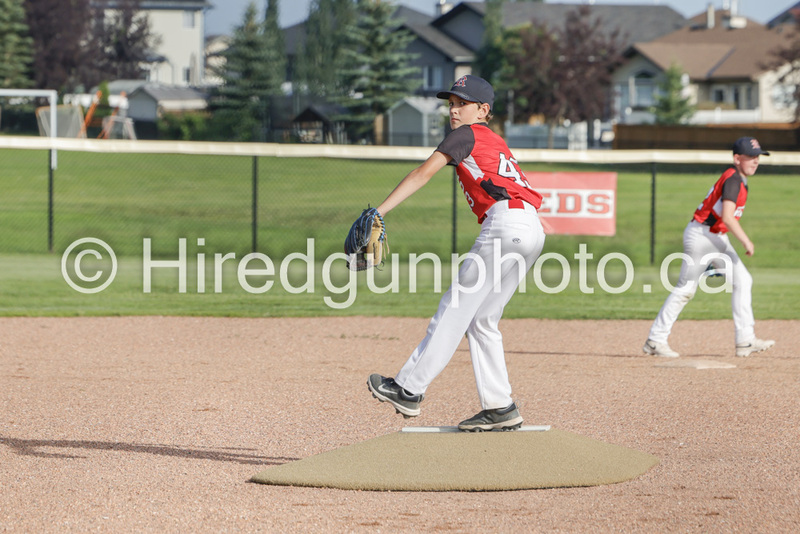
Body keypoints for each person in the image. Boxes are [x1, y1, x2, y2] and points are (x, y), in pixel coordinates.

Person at [366, 75, 546, 431]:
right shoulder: (495, 140)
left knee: (455, 307)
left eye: (462, 103)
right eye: (451, 103)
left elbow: (422, 173)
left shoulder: (467, 133)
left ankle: (407, 388)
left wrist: (379, 211)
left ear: (483, 110)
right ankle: (500, 407)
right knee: (482, 320)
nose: (453, 109)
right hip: (531, 229)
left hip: (505, 225)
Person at [643, 136, 775, 358]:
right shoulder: (733, 179)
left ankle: (745, 340)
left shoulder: (738, 178)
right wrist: (746, 240)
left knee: (742, 280)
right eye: (751, 157)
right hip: (703, 235)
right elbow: (727, 217)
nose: (756, 161)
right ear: (736, 158)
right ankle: (656, 339)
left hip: (713, 236)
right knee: (686, 289)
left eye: (758, 156)